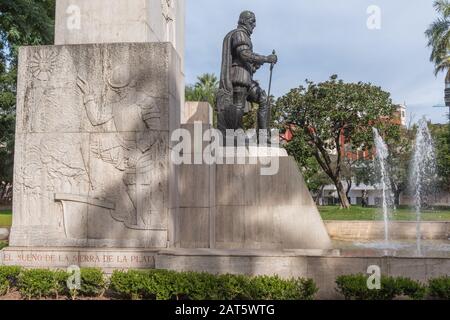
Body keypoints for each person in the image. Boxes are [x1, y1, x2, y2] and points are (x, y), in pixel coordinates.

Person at [217, 10, 278, 143]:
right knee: (238, 106)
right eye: (252, 21)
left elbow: (245, 60)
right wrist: (265, 58)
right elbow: (244, 54)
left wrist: (255, 65)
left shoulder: (244, 35)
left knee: (264, 100)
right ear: (244, 21)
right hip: (239, 77)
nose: (254, 25)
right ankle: (233, 135)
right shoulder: (240, 34)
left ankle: (263, 137)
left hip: (246, 78)